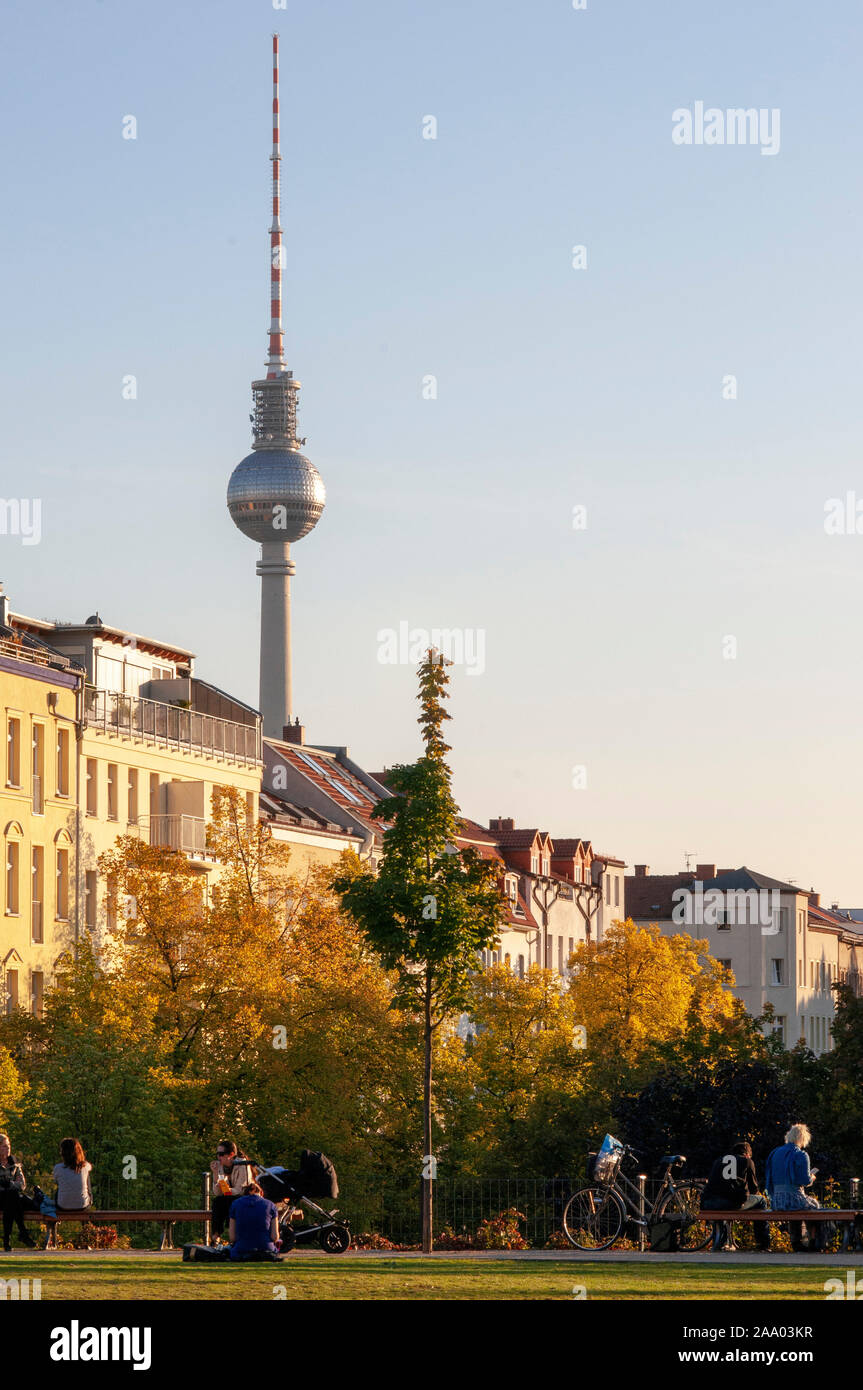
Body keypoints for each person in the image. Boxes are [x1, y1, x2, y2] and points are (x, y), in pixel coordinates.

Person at [703, 1141, 770, 1252]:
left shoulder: (718, 1161)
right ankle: (763, 1243)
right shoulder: (747, 1161)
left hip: (710, 1202)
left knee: (721, 1207)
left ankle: (720, 1241)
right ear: (747, 1154)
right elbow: (754, 1189)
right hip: (731, 1203)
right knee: (761, 1200)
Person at [765, 1123, 822, 1252]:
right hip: (793, 1197)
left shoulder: (775, 1153)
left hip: (777, 1200)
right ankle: (812, 1241)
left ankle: (796, 1241)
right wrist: (812, 1178)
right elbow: (805, 1180)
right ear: (803, 1139)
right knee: (815, 1206)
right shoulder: (801, 1155)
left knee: (797, 1209)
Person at [209, 1139, 254, 1244]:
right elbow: (217, 1193)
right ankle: (215, 1236)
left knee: (231, 1202)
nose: (218, 1157)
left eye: (221, 1154)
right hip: (230, 1198)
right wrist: (215, 1173)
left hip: (245, 1197)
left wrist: (227, 1190)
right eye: (217, 1154)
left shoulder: (243, 1164)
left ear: (231, 1154)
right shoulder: (220, 1166)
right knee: (217, 1201)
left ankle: (232, 1238)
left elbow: (241, 1190)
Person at [0, 1133, 37, 1251]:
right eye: (5, 1146)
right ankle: (23, 1233)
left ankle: (7, 1239)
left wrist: (9, 1184)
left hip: (11, 1199)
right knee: (13, 1197)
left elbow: (22, 1184)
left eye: (9, 1145)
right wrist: (9, 1186)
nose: (8, 1148)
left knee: (12, 1197)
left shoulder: (14, 1164)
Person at [228, 1181, 280, 1261]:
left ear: (244, 1193)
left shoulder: (235, 1204)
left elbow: (232, 1237)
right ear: (261, 1193)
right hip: (266, 1249)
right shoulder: (271, 1205)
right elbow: (275, 1237)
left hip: (241, 1250)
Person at [52, 1138, 93, 1211]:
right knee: (86, 1180)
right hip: (82, 1205)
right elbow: (90, 1167)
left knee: (60, 1187)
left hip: (62, 1206)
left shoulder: (58, 1168)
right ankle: (86, 1220)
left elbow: (56, 1181)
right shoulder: (85, 1166)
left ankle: (55, 1220)